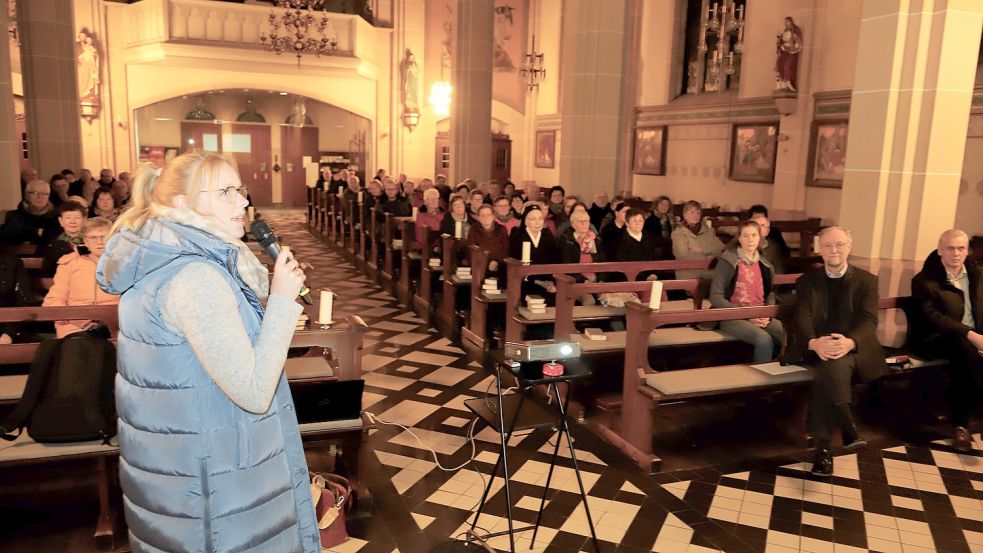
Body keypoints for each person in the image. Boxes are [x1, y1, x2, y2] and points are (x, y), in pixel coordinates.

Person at [96, 152, 320, 552]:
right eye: (226, 192)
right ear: (182, 204)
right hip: (215, 487)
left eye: (241, 190)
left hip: (184, 474)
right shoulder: (196, 277)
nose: (243, 203)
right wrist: (284, 302)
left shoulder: (160, 258)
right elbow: (253, 393)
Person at [781, 226, 885, 477]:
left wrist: (849, 342)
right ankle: (846, 426)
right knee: (830, 365)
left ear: (849, 246)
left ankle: (824, 450)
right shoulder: (807, 281)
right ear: (820, 249)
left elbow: (869, 321)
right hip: (817, 346)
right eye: (827, 245)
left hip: (852, 348)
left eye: (839, 244)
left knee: (829, 370)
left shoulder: (867, 281)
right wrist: (814, 342)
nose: (834, 250)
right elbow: (802, 318)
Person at [911, 229, 983, 451]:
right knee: (963, 350)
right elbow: (933, 318)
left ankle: (961, 422)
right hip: (935, 339)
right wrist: (970, 335)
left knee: (965, 357)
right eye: (950, 248)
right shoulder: (925, 281)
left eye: (961, 248)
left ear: (968, 251)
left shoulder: (978, 275)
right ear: (940, 250)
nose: (956, 253)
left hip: (973, 339)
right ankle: (960, 426)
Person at [709, 221, 783, 363]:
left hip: (760, 314)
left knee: (787, 335)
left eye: (754, 235)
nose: (750, 240)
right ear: (739, 238)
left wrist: (766, 314)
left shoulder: (765, 264)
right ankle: (761, 381)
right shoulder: (728, 260)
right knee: (764, 340)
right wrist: (747, 315)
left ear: (759, 238)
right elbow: (716, 297)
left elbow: (770, 293)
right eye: (746, 235)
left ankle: (785, 377)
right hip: (733, 316)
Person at [42, 217, 119, 338]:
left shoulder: (126, 264)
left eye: (104, 236)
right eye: (93, 237)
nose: (99, 241)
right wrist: (80, 321)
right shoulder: (69, 263)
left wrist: (111, 322)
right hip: (75, 328)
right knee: (81, 346)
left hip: (116, 327)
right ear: (85, 241)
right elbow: (53, 301)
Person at [508, 205, 557, 303]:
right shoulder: (517, 237)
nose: (537, 222)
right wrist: (537, 281)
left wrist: (550, 281)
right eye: (533, 219)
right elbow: (514, 264)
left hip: (546, 282)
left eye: (540, 218)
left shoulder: (548, 237)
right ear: (525, 221)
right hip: (524, 282)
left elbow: (554, 261)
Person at [672, 200, 724, 279]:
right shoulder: (678, 233)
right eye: (692, 212)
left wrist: (702, 249)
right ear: (685, 215)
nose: (695, 215)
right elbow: (683, 255)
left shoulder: (709, 231)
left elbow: (720, 249)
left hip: (710, 274)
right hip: (688, 274)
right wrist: (708, 258)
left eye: (698, 213)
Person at [558, 210, 604, 299]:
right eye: (580, 221)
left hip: (596, 280)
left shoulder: (596, 240)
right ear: (573, 224)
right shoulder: (567, 241)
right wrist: (583, 280)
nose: (584, 224)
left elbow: (603, 261)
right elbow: (567, 267)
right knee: (589, 301)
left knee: (607, 299)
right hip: (577, 281)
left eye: (586, 221)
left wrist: (601, 279)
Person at [38, 201, 87, 278]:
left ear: (84, 220)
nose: (72, 222)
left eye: (77, 218)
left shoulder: (91, 242)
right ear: (61, 221)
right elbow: (48, 272)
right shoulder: (52, 245)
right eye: (68, 218)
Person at [2, 180, 60, 244]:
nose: (40, 197)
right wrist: (36, 232)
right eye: (35, 193)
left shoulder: (57, 215)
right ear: (26, 194)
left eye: (44, 193)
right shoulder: (14, 215)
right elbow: (11, 235)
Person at [467, 204, 509, 274]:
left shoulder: (501, 229)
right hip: (480, 266)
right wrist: (486, 262)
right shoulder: (473, 229)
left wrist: (496, 261)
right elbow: (471, 249)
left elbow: (505, 249)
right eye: (482, 215)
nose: (485, 218)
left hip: (499, 265)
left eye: (488, 215)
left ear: (493, 216)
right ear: (478, 217)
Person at [415, 188, 443, 255]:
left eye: (436, 198)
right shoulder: (421, 215)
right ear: (425, 201)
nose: (434, 201)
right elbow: (420, 235)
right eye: (431, 199)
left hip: (442, 245)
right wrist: (434, 246)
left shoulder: (443, 215)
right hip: (426, 246)